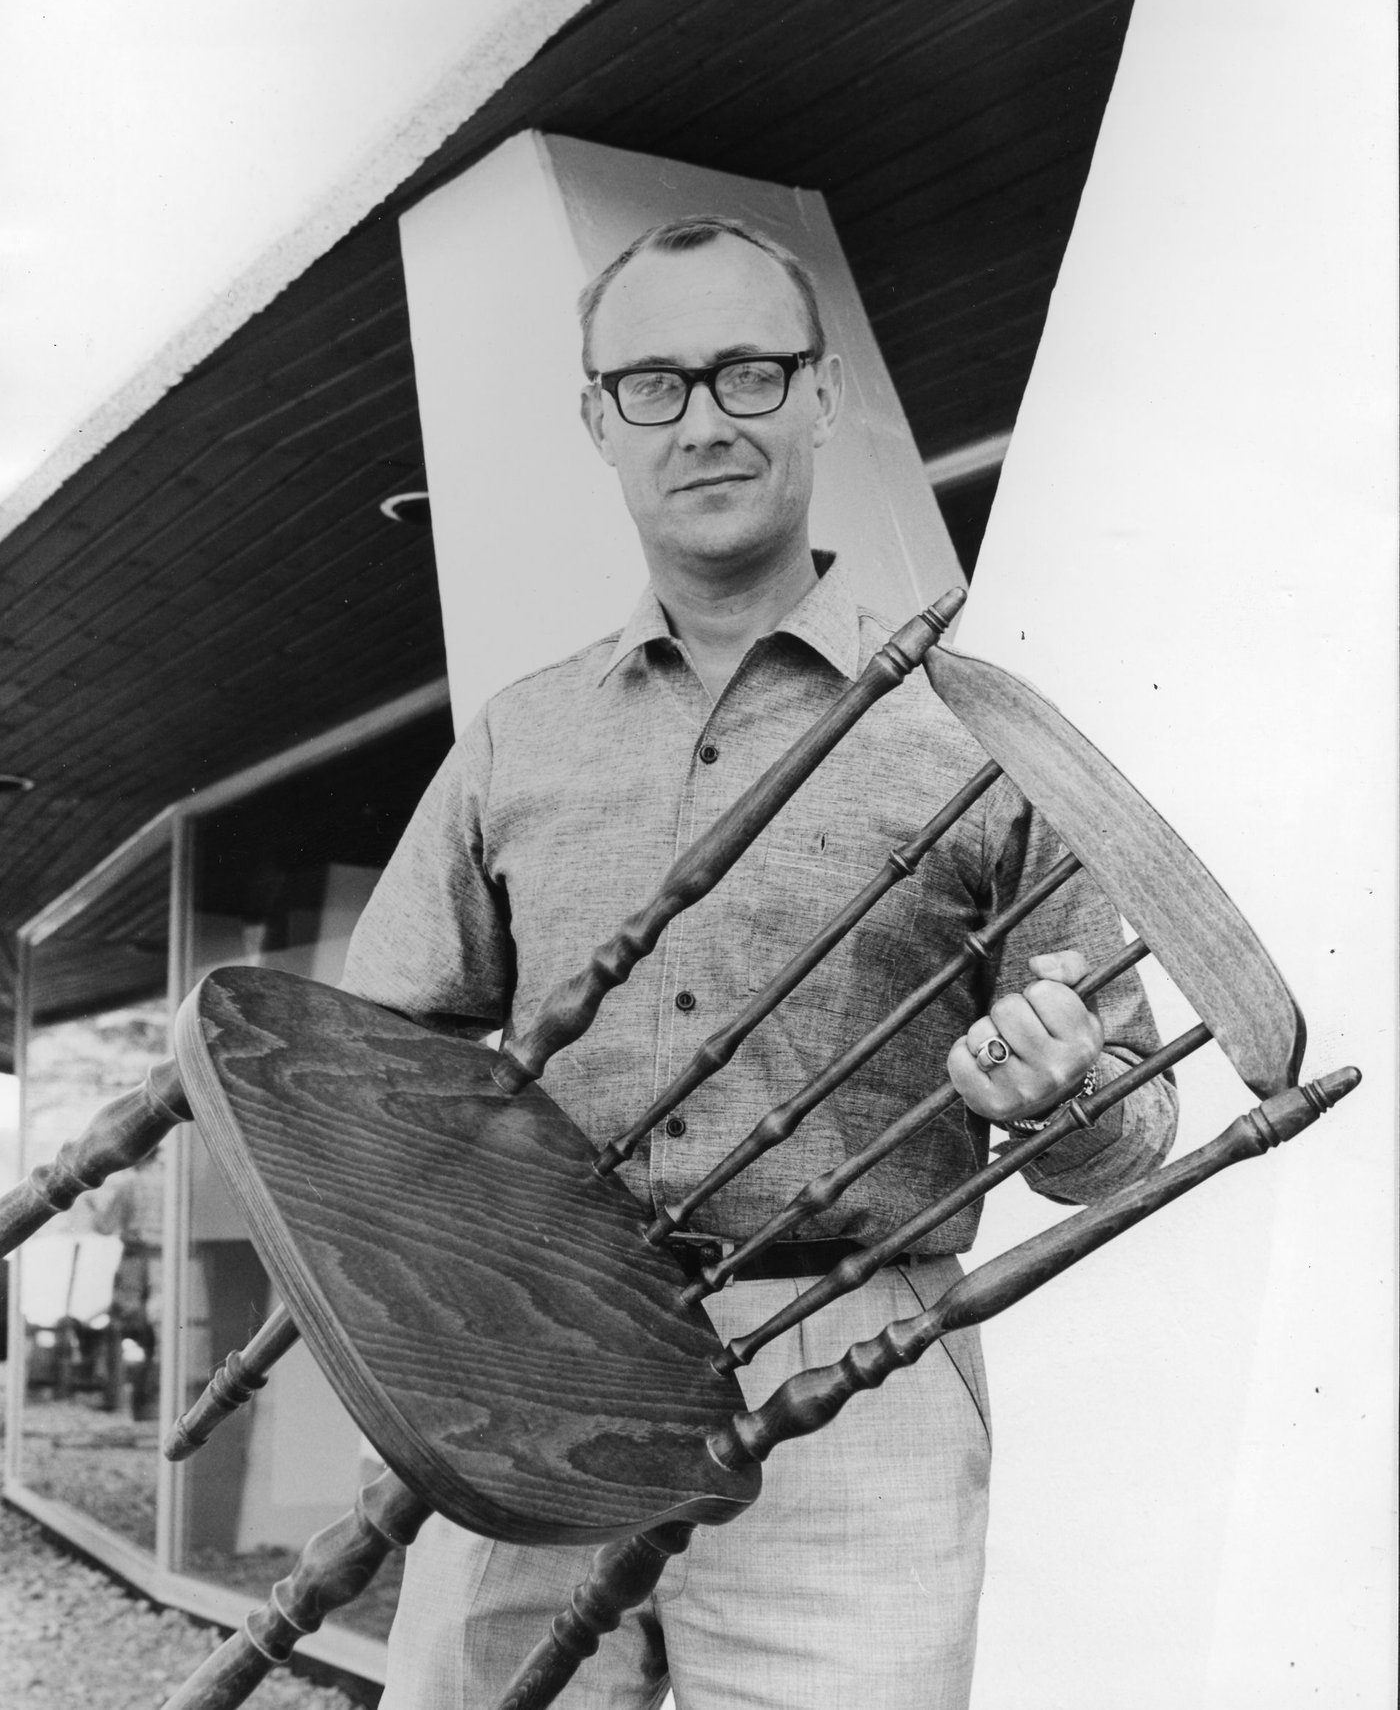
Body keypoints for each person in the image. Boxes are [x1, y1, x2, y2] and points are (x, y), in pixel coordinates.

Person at [342, 215, 1177, 1710]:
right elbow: (372, 1057)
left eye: (746, 370)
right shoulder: (517, 742)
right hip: (535, 1355)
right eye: (654, 383)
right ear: (598, 419)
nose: (706, 418)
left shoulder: (978, 734)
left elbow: (1124, 1131)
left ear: (822, 390)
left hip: (857, 1375)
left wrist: (1064, 1094)